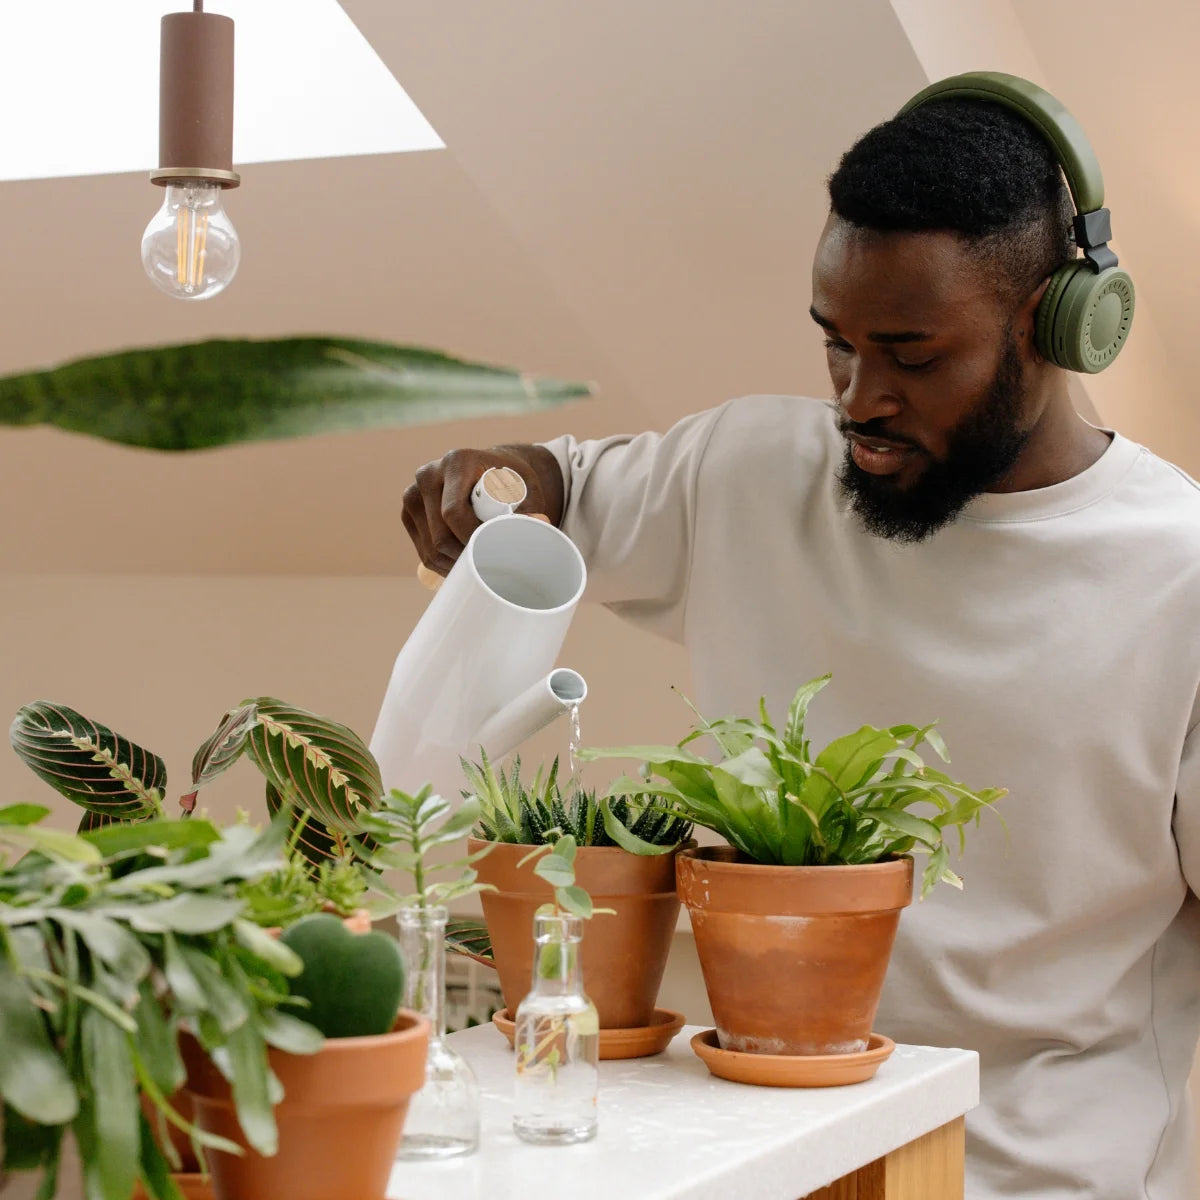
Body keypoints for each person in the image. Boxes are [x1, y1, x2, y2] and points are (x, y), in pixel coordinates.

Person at [402, 73, 1200, 1200]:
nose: (859, 398)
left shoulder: (1181, 576)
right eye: (837, 343)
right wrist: (499, 480)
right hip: (768, 1160)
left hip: (1043, 1180)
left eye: (913, 355)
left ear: (1056, 325)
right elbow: (562, 488)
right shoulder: (748, 472)